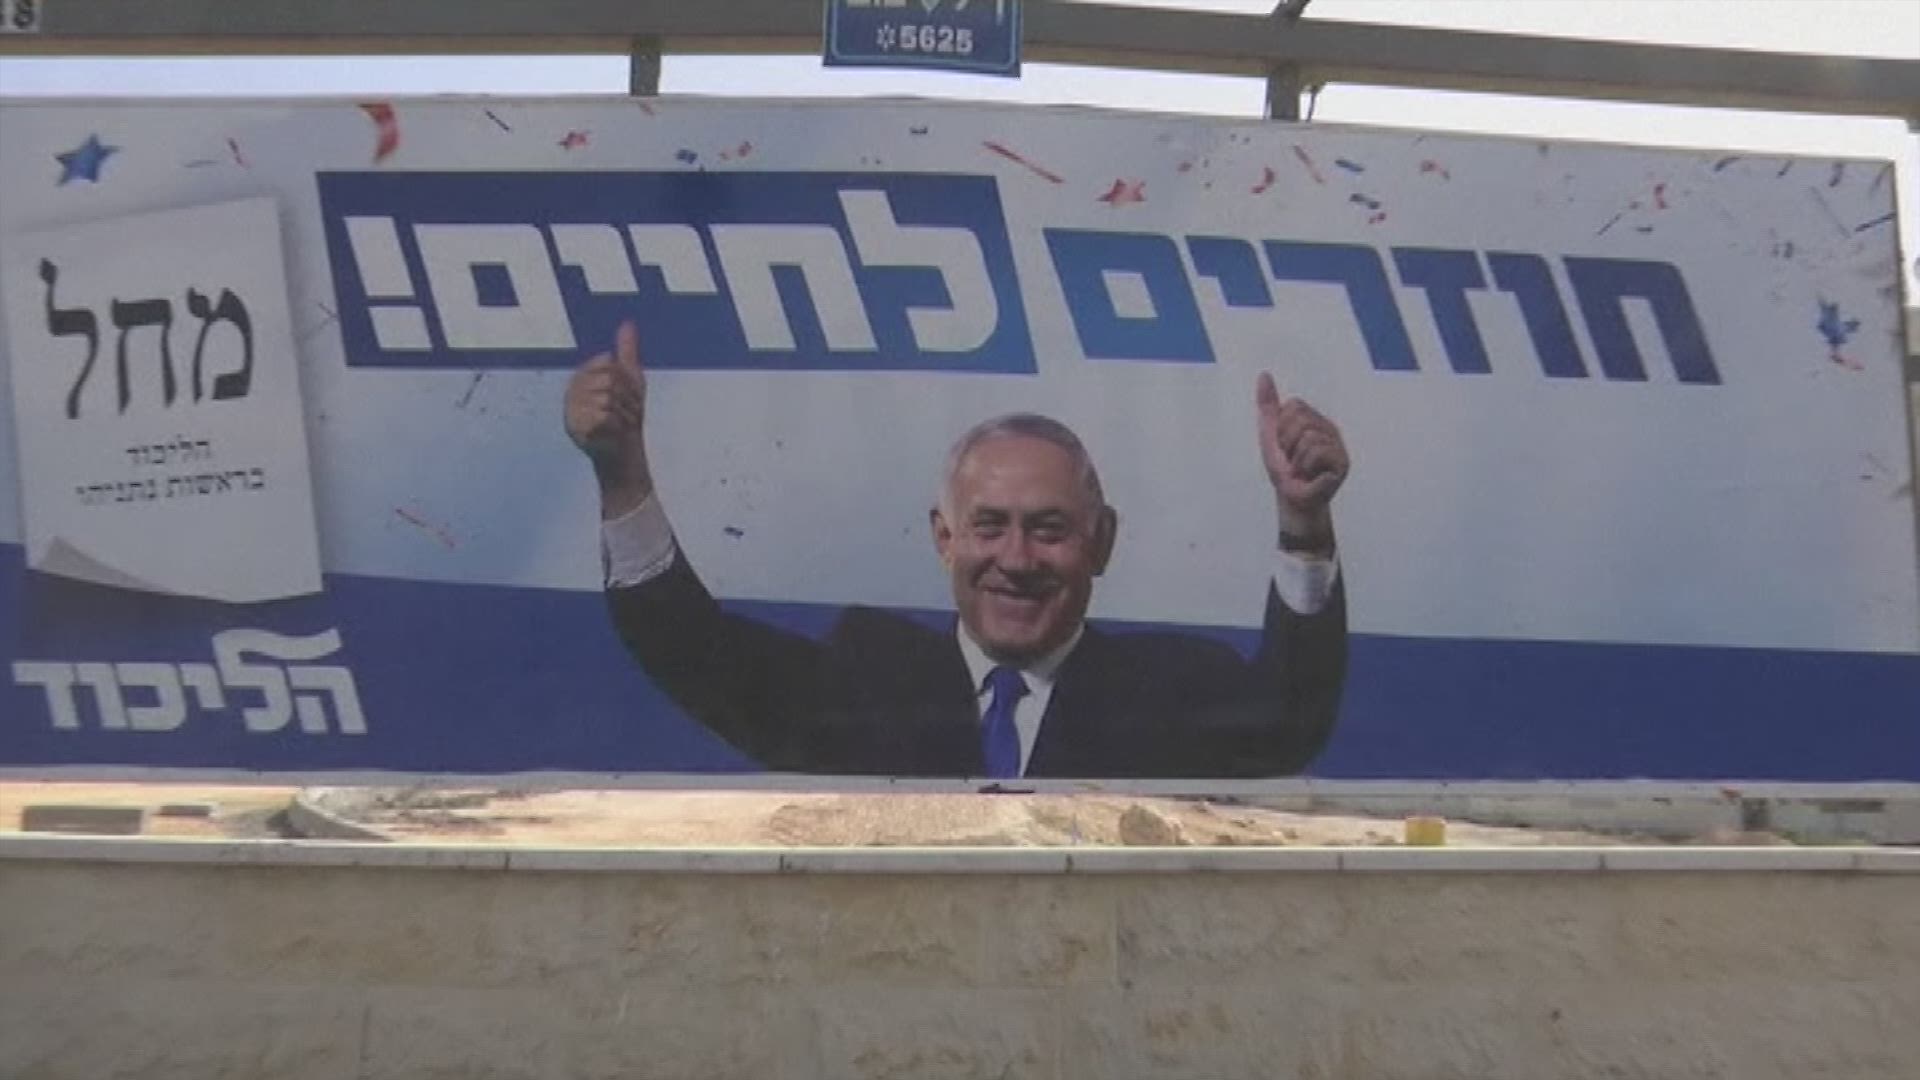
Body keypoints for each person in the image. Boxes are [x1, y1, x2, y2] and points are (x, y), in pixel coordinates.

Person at [564, 321, 1350, 778]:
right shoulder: (864, 678)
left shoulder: (1168, 692)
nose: (1016, 558)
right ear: (945, 539)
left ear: (1102, 541)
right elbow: (687, 648)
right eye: (989, 526)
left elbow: (1289, 721)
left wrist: (1303, 519)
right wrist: (620, 474)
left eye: (1049, 529)